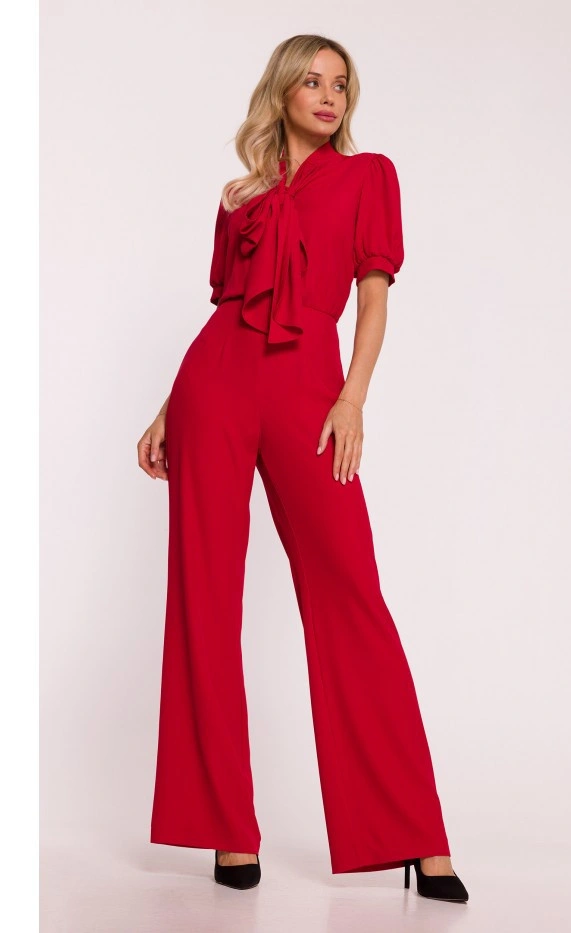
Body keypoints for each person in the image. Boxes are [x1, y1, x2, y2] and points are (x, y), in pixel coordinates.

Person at [137, 34, 468, 905]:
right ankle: (225, 828)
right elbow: (227, 307)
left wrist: (352, 398)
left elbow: (373, 295)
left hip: (310, 390)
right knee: (204, 596)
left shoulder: (368, 177)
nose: (329, 95)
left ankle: (415, 834)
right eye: (313, 81)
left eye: (341, 84)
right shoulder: (239, 195)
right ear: (281, 91)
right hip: (213, 386)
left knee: (349, 589)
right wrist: (171, 407)